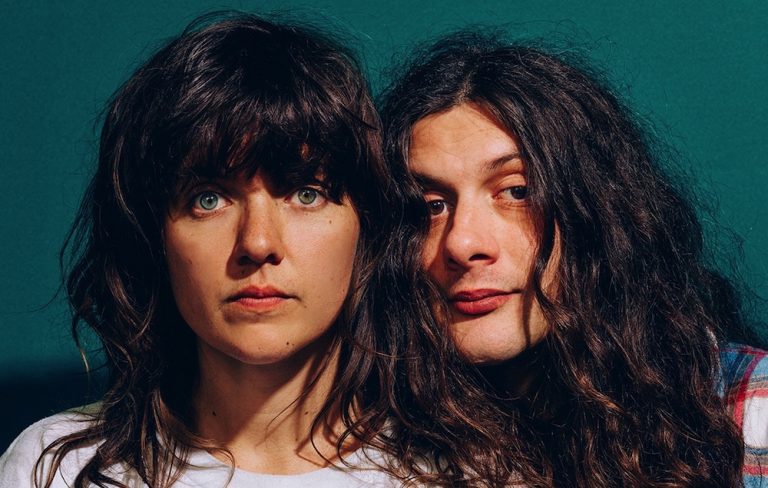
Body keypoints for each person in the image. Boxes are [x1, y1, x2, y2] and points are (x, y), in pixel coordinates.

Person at [0, 14, 507, 488]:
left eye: (306, 194)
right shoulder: (58, 469)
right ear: (154, 236)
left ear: (367, 226)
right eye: (209, 199)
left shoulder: (471, 472)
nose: (258, 243)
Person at [381, 32, 768, 487]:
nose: (462, 243)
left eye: (517, 192)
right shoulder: (369, 449)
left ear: (597, 214)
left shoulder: (751, 412)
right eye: (430, 205)